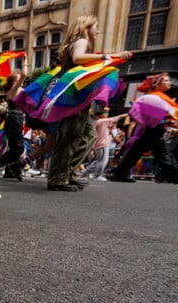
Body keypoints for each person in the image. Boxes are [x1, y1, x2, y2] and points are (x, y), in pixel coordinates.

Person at [45, 15, 132, 191]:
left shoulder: (80, 43)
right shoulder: (81, 41)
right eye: (96, 26)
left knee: (87, 135)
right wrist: (110, 56)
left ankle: (68, 172)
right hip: (73, 97)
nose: (98, 30)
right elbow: (78, 58)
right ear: (86, 26)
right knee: (71, 136)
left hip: (76, 98)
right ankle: (58, 178)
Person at [108, 73, 178, 183]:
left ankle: (119, 172)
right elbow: (136, 113)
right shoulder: (152, 98)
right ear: (156, 84)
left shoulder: (158, 97)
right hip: (153, 129)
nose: (169, 82)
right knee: (162, 152)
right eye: (166, 80)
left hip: (153, 128)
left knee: (137, 151)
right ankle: (173, 175)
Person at [0, 60, 29, 181]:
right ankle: (0, 161)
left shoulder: (19, 91)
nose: (22, 82)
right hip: (14, 118)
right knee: (18, 147)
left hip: (17, 118)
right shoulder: (13, 91)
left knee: (15, 145)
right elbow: (24, 75)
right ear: (15, 82)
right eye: (19, 79)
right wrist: (24, 62)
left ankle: (10, 171)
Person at [81, 110, 128, 181]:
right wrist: (129, 113)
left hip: (98, 144)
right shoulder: (104, 121)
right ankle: (97, 176)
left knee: (99, 160)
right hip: (103, 144)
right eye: (105, 114)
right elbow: (119, 117)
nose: (107, 115)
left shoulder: (97, 123)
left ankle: (85, 172)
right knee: (103, 160)